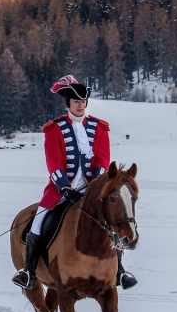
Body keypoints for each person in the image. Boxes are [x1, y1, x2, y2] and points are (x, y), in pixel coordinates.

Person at [12, 75, 137, 291]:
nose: (80, 106)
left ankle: (120, 271)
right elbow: (53, 162)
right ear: (68, 103)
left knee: (111, 220)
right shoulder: (54, 128)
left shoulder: (99, 127)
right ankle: (28, 271)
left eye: (83, 102)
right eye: (76, 102)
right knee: (39, 220)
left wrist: (95, 185)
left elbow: (102, 159)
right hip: (61, 191)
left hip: (92, 191)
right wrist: (64, 187)